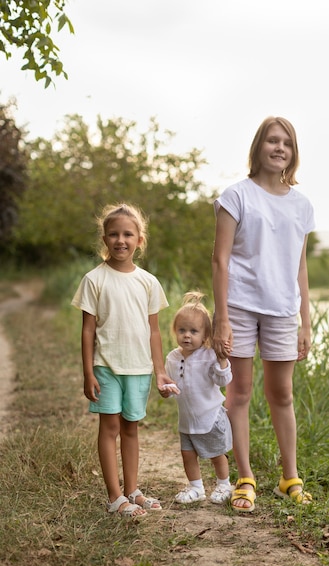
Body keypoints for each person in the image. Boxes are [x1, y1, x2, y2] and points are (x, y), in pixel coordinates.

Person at [212, 116, 315, 513]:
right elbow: (220, 260)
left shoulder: (302, 205)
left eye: (286, 143)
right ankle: (245, 477)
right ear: (259, 147)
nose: (279, 148)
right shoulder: (236, 196)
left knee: (282, 394)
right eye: (272, 141)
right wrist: (221, 318)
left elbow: (300, 266)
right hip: (239, 304)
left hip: (283, 309)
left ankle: (289, 478)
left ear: (293, 152)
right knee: (238, 393)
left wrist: (306, 321)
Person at [72, 203, 176, 519]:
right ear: (104, 238)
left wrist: (160, 372)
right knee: (110, 427)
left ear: (139, 240)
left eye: (128, 234)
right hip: (106, 366)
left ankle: (132, 490)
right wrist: (88, 372)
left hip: (139, 368)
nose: (121, 240)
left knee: (131, 428)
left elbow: (154, 332)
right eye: (114, 234)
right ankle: (115, 497)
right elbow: (87, 330)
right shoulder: (94, 279)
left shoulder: (148, 282)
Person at [161, 291, 234, 505]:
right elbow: (170, 383)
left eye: (194, 331)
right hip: (186, 420)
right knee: (187, 454)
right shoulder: (172, 358)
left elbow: (223, 381)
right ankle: (196, 487)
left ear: (205, 336)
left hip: (210, 416)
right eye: (182, 330)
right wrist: (165, 389)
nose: (187, 335)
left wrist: (222, 362)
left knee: (216, 454)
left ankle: (224, 484)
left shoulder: (210, 355)